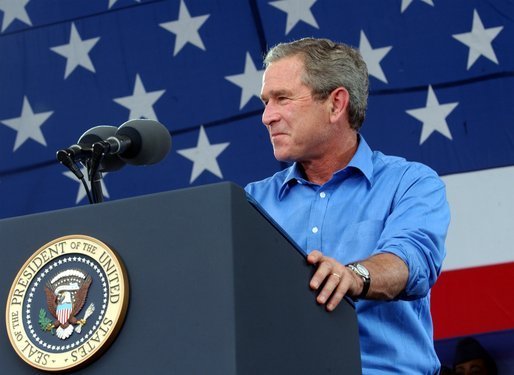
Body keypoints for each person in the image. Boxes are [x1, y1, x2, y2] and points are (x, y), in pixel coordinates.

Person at [245, 38, 450, 373]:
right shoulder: (251, 202)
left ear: (336, 104)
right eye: (266, 102)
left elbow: (413, 259)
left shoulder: (410, 182)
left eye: (282, 99)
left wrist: (354, 276)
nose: (267, 116)